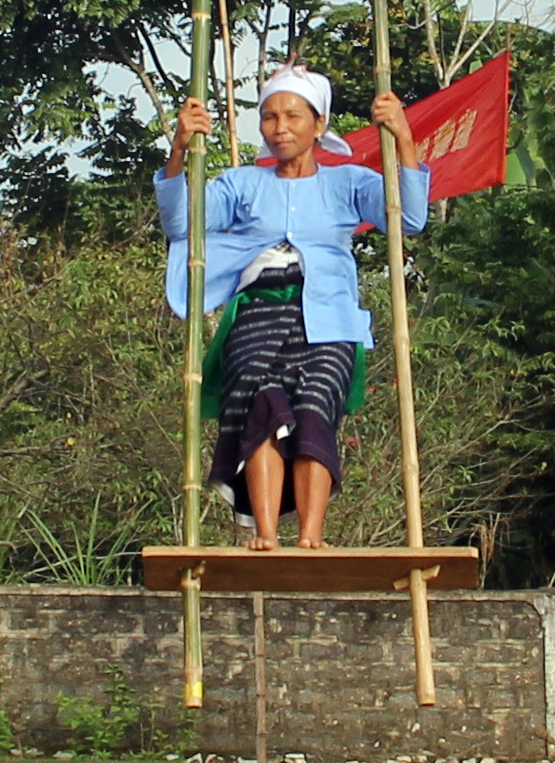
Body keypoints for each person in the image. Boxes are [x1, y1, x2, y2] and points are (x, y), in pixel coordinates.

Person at [159, 67, 431, 549]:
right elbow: (183, 223)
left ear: (318, 123)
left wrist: (402, 136)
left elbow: (408, 217)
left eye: (291, 116)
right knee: (261, 404)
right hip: (258, 310)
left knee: (314, 405)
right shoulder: (242, 184)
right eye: (268, 117)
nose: (279, 127)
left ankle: (311, 534)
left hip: (328, 316)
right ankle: (265, 534)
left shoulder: (348, 181)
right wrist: (180, 149)